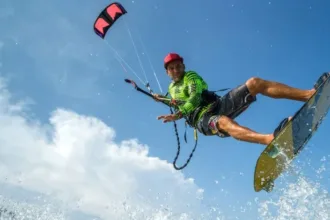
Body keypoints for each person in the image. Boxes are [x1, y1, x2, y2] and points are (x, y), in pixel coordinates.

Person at [153, 52, 329, 146]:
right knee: (222, 122)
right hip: (202, 119)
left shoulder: (190, 76)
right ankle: (268, 139)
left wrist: (177, 114)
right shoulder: (171, 89)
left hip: (217, 104)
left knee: (254, 83)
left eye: (178, 66)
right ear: (167, 72)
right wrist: (163, 99)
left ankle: (308, 95)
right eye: (172, 68)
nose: (176, 70)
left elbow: (194, 96)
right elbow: (179, 105)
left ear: (183, 66)